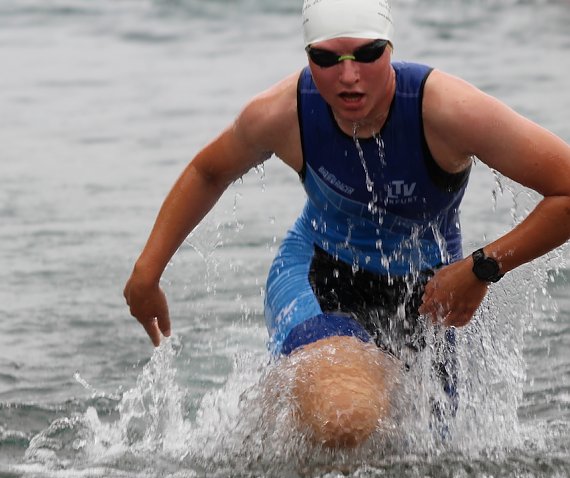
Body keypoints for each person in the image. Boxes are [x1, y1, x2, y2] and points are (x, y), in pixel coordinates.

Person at [123, 0, 570, 448]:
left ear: (390, 48)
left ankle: (293, 408)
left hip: (436, 293)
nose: (348, 75)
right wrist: (147, 271)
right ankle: (288, 408)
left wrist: (481, 269)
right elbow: (209, 171)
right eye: (326, 59)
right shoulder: (284, 113)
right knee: (344, 417)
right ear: (308, 57)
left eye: (367, 54)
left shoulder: (449, 111)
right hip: (319, 273)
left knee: (419, 454)